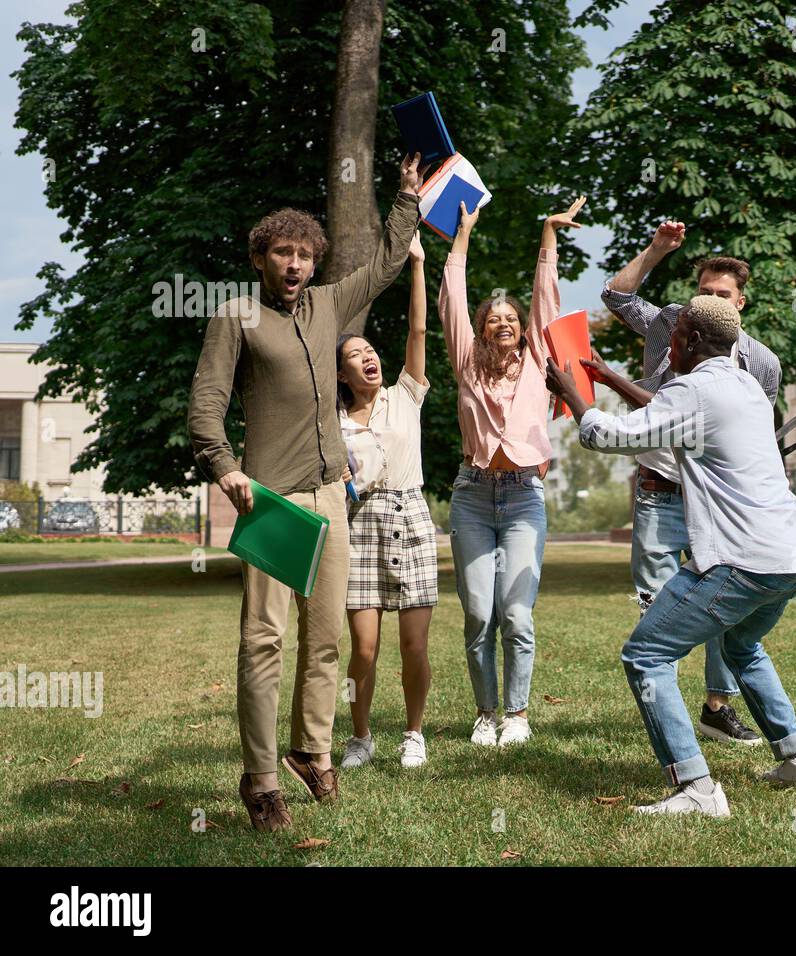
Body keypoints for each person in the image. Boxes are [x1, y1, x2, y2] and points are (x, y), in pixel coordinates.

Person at [188, 154, 424, 831]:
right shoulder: (235, 316)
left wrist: (406, 196)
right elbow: (207, 401)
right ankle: (261, 778)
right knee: (264, 640)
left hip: (330, 494)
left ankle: (310, 751)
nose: (294, 264)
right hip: (269, 498)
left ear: (314, 261)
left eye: (303, 254)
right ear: (259, 258)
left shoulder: (328, 304)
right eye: (281, 253)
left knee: (325, 640)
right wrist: (224, 466)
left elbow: (382, 264)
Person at [546, 295, 796, 817]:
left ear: (693, 340)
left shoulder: (694, 388)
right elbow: (667, 416)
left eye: (673, 336)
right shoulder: (745, 383)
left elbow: (612, 436)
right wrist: (608, 382)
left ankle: (696, 788)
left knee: (646, 655)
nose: (667, 346)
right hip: (793, 554)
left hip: (739, 559)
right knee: (743, 646)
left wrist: (576, 398)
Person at [601, 220, 780, 746]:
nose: (708, 303)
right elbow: (615, 295)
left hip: (719, 501)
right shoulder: (669, 325)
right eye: (702, 292)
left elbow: (753, 438)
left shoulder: (761, 362)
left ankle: (715, 708)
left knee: (726, 600)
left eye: (721, 295)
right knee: (658, 606)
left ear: (741, 303)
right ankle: (666, 707)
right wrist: (657, 249)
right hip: (661, 487)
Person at [439, 195, 586, 746]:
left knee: (517, 615)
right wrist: (462, 235)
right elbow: (452, 300)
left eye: (510, 319)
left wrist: (548, 235)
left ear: (522, 329)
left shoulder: (538, 364)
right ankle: (485, 712)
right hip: (473, 496)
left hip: (524, 497)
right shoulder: (466, 365)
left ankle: (517, 716)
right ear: (480, 331)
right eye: (491, 319)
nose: (502, 323)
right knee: (479, 612)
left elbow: (546, 302)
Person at [336, 231, 437, 771]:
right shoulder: (332, 423)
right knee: (365, 650)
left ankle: (414, 733)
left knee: (414, 647)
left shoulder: (406, 396)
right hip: (362, 526)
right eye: (355, 356)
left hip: (412, 516)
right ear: (340, 374)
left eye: (370, 350)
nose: (368, 358)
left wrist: (416, 263)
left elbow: (419, 328)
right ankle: (360, 737)